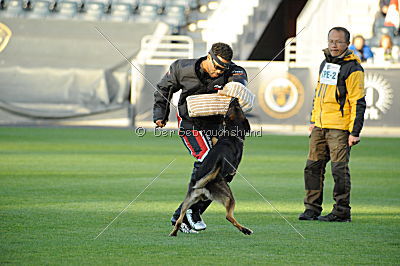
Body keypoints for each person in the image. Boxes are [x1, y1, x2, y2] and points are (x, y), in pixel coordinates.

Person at [153, 42, 248, 233]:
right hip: (191, 124)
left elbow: (240, 81)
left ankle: (187, 212)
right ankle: (190, 214)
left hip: (216, 125)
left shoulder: (233, 71)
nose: (220, 71)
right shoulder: (181, 68)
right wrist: (160, 116)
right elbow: (164, 89)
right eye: (218, 66)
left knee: (226, 171)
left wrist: (236, 88)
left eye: (224, 68)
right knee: (207, 159)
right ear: (208, 57)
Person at [299, 27, 366, 222]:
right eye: (331, 41)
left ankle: (341, 211)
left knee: (338, 170)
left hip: (340, 127)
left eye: (338, 42)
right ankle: (311, 208)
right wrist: (313, 120)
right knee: (312, 168)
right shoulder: (324, 64)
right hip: (320, 125)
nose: (334, 45)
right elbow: (318, 95)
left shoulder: (353, 68)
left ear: (347, 44)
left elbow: (358, 101)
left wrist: (354, 132)